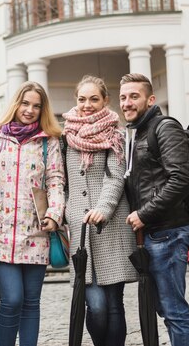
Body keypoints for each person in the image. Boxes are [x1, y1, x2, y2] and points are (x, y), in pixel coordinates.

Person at [0, 81, 64, 346]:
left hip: (36, 233)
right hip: (0, 233)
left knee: (31, 303)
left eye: (36, 106)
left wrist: (54, 213)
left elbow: (55, 181)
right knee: (12, 299)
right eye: (25, 103)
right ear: (15, 104)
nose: (29, 110)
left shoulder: (47, 142)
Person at [119, 73, 189, 346]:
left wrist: (143, 214)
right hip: (152, 235)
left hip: (168, 233)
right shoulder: (137, 132)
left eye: (134, 96)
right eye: (123, 97)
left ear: (150, 99)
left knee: (173, 311)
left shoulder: (164, 127)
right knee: (164, 308)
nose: (127, 103)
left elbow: (181, 180)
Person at [62, 75, 137, 346]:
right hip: (81, 231)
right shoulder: (66, 137)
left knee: (114, 304)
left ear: (105, 100)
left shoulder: (115, 136)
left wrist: (103, 208)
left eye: (94, 99)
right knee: (95, 306)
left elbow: (115, 177)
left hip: (111, 228)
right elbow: (62, 180)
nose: (87, 105)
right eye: (82, 99)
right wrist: (68, 209)